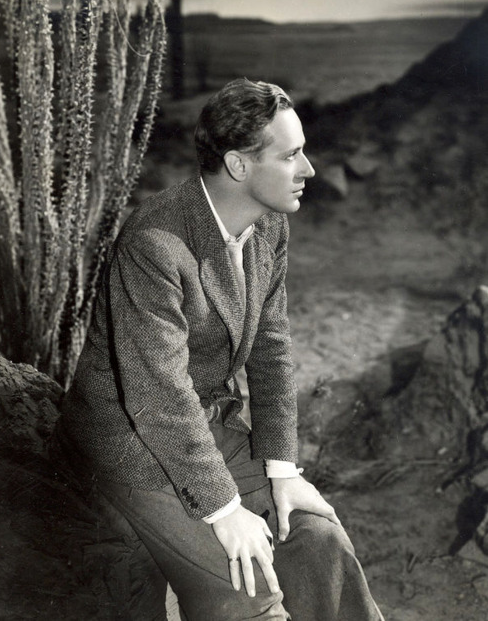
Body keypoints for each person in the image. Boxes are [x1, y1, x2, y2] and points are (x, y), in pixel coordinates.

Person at [55, 78, 384, 620]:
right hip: (130, 442)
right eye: (291, 155)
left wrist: (282, 468)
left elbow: (271, 350)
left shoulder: (269, 225)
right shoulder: (155, 243)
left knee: (320, 541)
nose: (309, 169)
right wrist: (224, 507)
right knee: (245, 587)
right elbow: (158, 395)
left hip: (207, 427)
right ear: (238, 165)